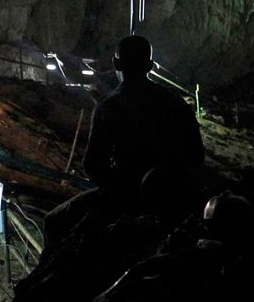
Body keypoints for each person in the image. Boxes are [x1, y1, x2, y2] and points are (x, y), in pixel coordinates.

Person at [83, 35, 204, 199]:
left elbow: (92, 166)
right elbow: (196, 156)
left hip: (126, 195)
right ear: (150, 66)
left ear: (116, 63)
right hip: (172, 193)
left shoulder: (107, 106)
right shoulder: (174, 101)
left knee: (55, 219)